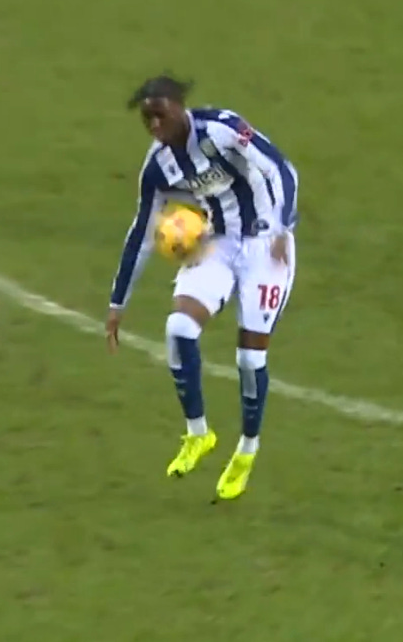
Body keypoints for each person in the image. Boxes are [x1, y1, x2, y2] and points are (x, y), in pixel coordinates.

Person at [105, 75, 298, 501]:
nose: (155, 125)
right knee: (178, 329)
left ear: (179, 106)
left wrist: (283, 225)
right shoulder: (159, 166)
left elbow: (280, 168)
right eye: (147, 119)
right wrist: (118, 301)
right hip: (219, 243)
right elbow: (141, 233)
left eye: (161, 114)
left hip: (267, 245)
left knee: (250, 358)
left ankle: (246, 450)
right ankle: (198, 433)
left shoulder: (222, 130)